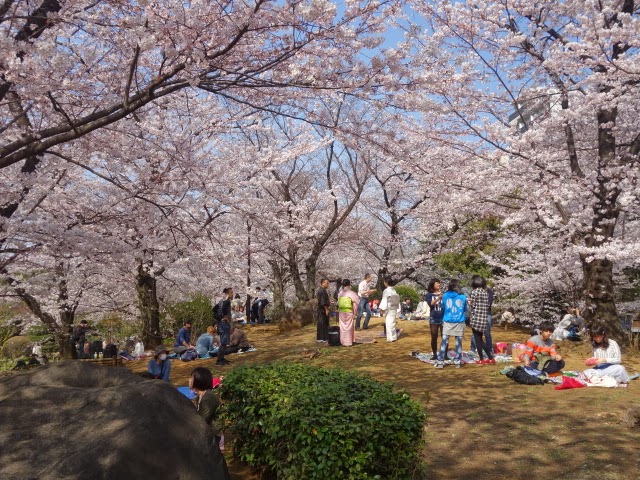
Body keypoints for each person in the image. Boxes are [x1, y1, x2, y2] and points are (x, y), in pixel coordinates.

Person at [189, 367, 231, 480]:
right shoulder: (200, 396)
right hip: (207, 434)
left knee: (214, 463)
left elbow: (202, 419)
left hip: (214, 435)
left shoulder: (208, 397)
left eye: (192, 377)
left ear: (199, 380)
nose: (189, 380)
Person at [435, 279, 467, 369]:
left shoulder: (445, 295)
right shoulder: (463, 296)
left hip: (447, 321)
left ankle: (440, 361)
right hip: (459, 321)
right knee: (458, 342)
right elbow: (465, 308)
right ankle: (457, 361)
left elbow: (443, 307)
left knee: (444, 341)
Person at [468, 275, 495, 364]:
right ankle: (490, 357)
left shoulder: (474, 292)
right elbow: (487, 305)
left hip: (475, 319)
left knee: (478, 340)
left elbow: (473, 305)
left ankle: (481, 359)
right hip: (483, 319)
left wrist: (469, 302)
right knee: (480, 339)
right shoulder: (485, 292)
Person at [426, 278, 445, 360]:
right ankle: (434, 354)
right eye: (437, 283)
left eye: (439, 283)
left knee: (444, 336)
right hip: (433, 317)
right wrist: (438, 298)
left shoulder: (444, 294)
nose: (438, 284)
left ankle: (445, 354)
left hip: (443, 317)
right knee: (434, 336)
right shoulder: (429, 295)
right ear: (432, 285)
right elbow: (431, 304)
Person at [337, 279, 360, 346]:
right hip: (349, 312)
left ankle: (343, 341)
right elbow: (356, 303)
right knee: (349, 327)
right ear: (349, 285)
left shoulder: (340, 293)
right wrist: (355, 312)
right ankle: (348, 341)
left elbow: (338, 303)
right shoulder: (352, 293)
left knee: (342, 327)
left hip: (341, 312)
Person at [380, 277, 401, 342]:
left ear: (386, 283)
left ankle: (391, 338)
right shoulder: (394, 290)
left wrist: (382, 309)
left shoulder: (386, 291)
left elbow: (384, 300)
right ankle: (393, 337)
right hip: (394, 307)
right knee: (392, 323)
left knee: (389, 323)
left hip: (388, 308)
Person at [216, 288, 233, 366]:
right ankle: (219, 360)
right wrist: (226, 320)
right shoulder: (227, 302)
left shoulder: (221, 301)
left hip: (220, 323)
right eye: (231, 293)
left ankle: (222, 358)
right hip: (224, 324)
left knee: (224, 342)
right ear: (228, 293)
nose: (232, 294)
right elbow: (224, 311)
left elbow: (214, 310)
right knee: (223, 343)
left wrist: (219, 319)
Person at [316, 278, 330, 343]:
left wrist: (329, 302)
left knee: (324, 323)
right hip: (322, 310)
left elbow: (324, 300)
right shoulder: (321, 291)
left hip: (323, 309)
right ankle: (322, 338)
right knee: (322, 323)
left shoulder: (323, 290)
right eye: (326, 283)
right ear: (323, 283)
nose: (328, 284)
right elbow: (322, 301)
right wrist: (326, 309)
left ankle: (324, 338)